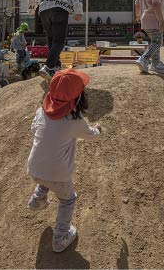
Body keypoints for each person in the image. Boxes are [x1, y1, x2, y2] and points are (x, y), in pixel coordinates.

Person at [26, 69, 102, 253]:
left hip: (34, 168)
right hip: (58, 175)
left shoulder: (41, 111)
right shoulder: (74, 119)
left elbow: (33, 130)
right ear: (78, 97)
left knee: (46, 176)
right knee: (68, 199)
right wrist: (99, 130)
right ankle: (60, 236)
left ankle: (37, 199)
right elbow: (91, 135)